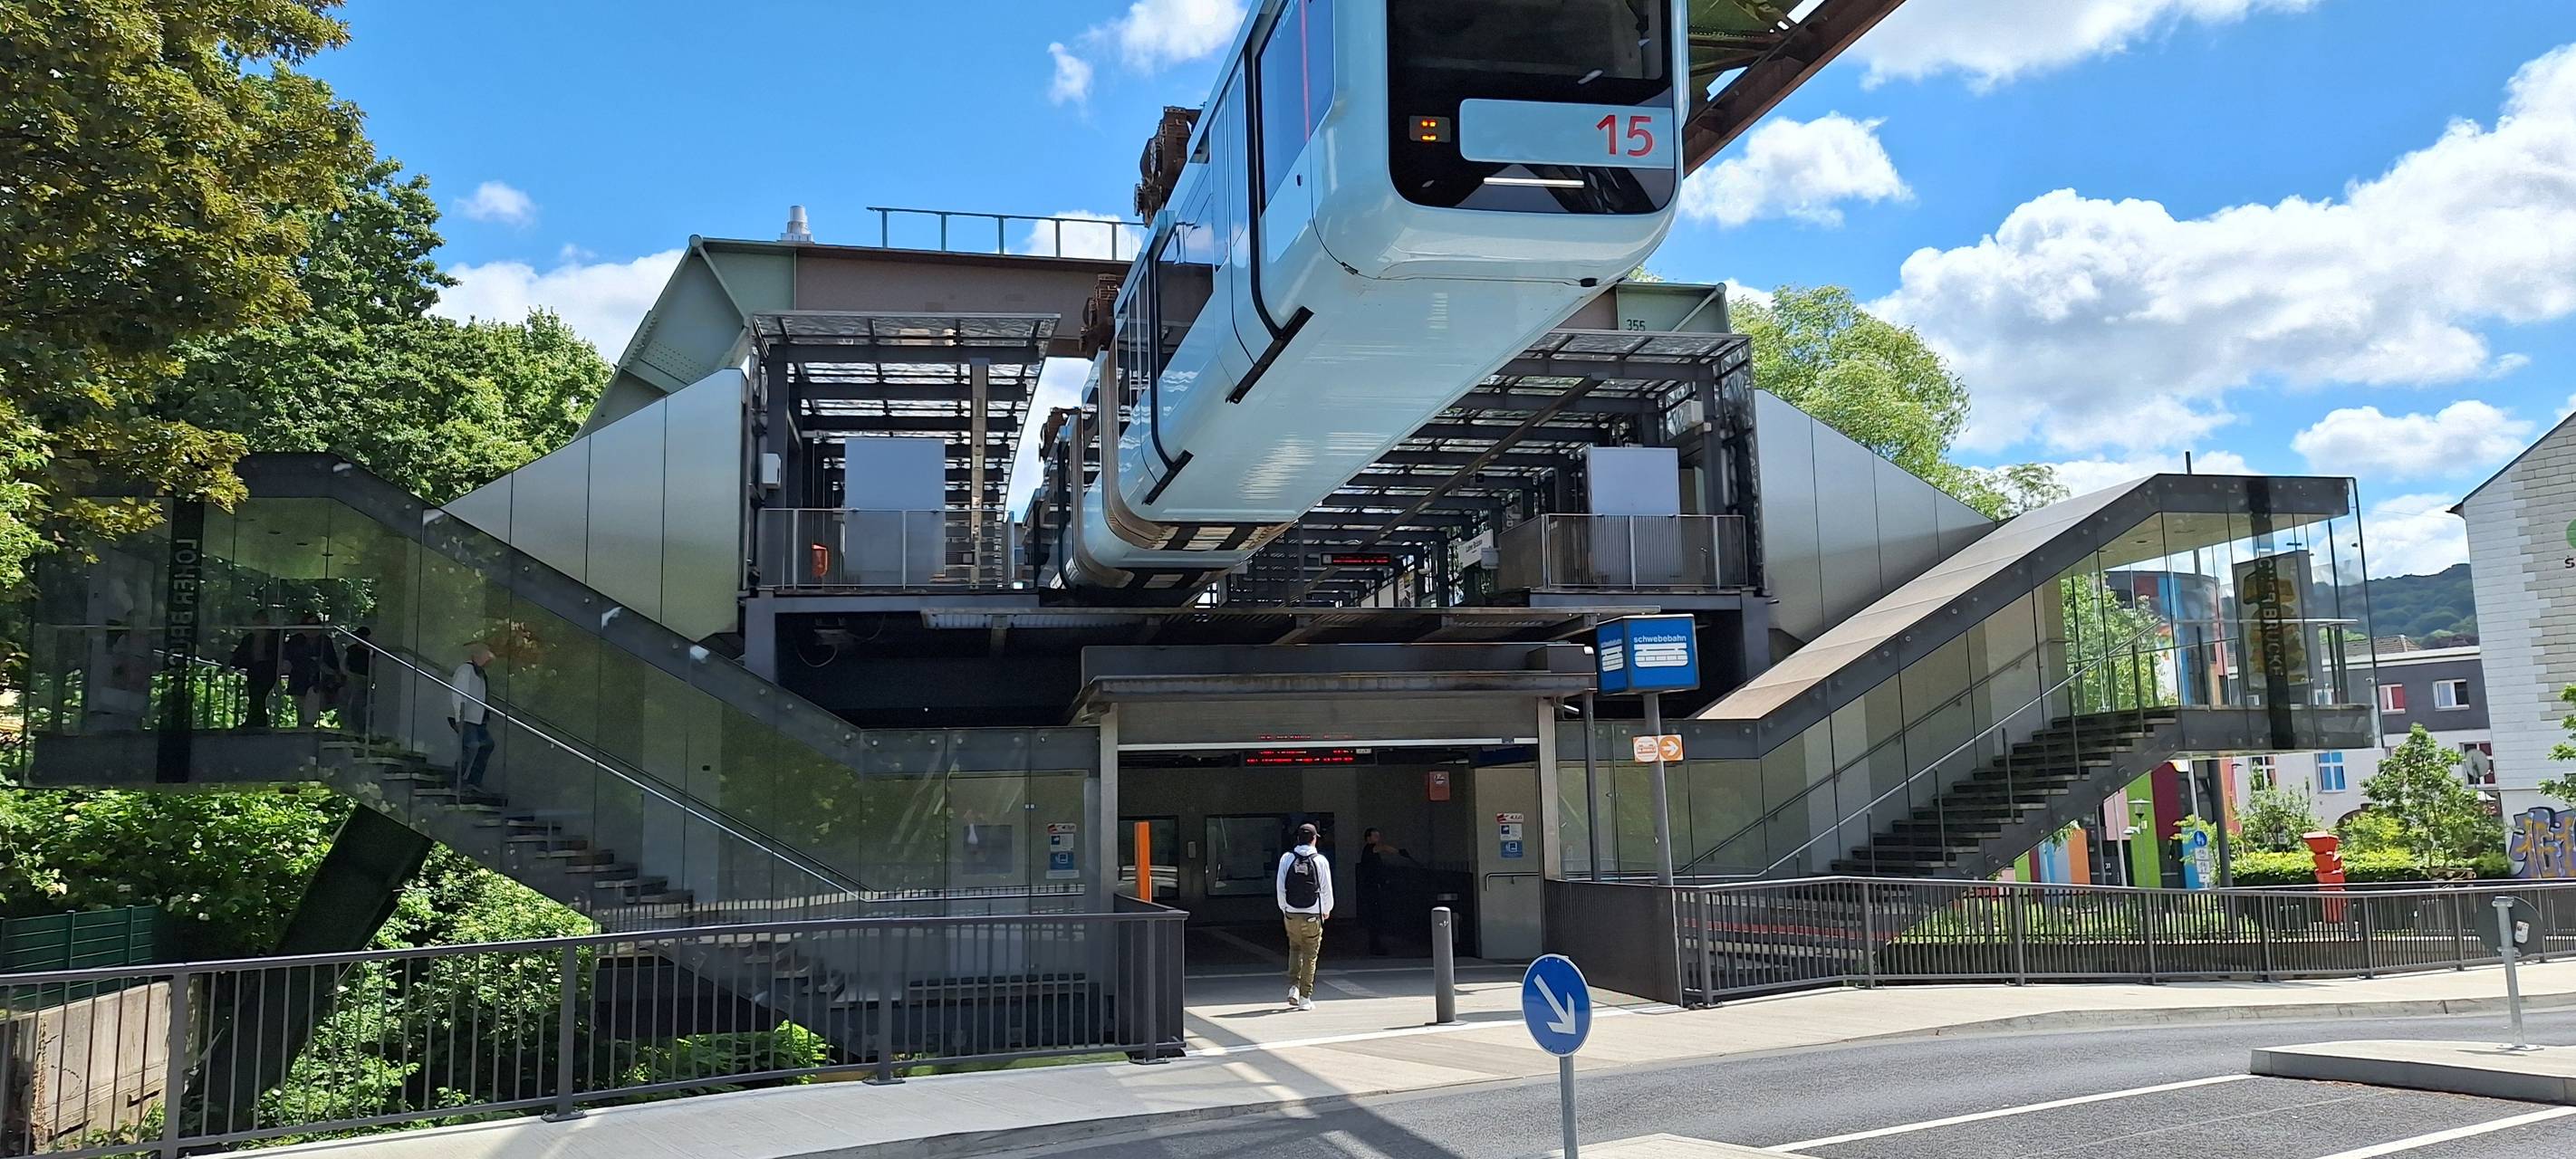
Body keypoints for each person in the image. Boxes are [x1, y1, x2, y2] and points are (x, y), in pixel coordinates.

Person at [1274, 822, 1333, 1011]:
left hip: (1291, 912)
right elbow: (1326, 889)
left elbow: (1280, 886)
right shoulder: (1320, 860)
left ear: (1297, 839)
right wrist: (1326, 909)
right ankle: (1305, 997)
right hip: (1312, 914)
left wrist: (1284, 908)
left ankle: (1293, 987)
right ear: (1314, 839)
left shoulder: (1286, 858)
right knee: (1310, 955)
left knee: (1294, 948)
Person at [448, 642, 496, 793]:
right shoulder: (466, 670)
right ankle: (457, 780)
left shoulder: (480, 673)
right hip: (466, 717)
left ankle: (473, 780)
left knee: (486, 744)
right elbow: (458, 694)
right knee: (471, 745)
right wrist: (459, 718)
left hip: (476, 718)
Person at [1357, 828, 1413, 956]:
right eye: (1375, 836)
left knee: (1376, 918)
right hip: (1372, 890)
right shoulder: (1370, 849)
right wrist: (1399, 852)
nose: (1378, 839)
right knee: (1375, 918)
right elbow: (1384, 847)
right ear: (1368, 838)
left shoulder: (1371, 851)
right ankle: (1375, 946)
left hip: (1374, 889)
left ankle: (1376, 945)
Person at [280, 613, 340, 729]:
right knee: (301, 710)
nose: (311, 629)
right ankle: (302, 730)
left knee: (312, 708)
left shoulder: (325, 642)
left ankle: (310, 728)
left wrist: (324, 667)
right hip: (300, 679)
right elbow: (287, 657)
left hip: (319, 681)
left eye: (315, 625)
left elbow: (333, 663)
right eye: (308, 625)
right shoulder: (295, 641)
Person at [228, 615, 282, 730]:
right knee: (254, 695)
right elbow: (240, 654)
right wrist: (232, 665)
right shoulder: (249, 639)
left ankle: (258, 722)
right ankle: (255, 721)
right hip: (254, 670)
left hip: (268, 670)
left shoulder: (275, 637)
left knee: (259, 695)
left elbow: (278, 653)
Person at [340, 626, 374, 734]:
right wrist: (347, 674)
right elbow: (343, 665)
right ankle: (347, 728)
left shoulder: (372, 653)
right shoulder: (351, 650)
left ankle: (358, 730)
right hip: (350, 678)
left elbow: (374, 670)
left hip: (365, 681)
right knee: (344, 698)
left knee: (356, 702)